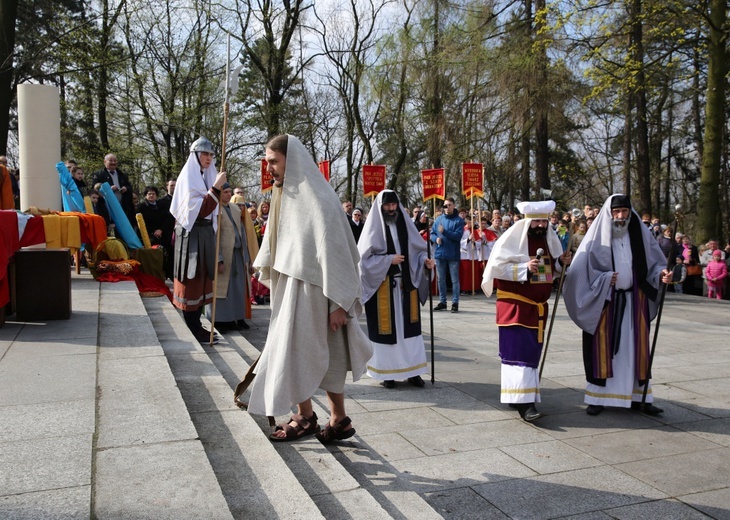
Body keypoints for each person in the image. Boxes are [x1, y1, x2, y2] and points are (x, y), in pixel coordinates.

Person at [247, 134, 373, 444]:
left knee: (316, 352)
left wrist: (339, 304)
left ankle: (307, 417)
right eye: (268, 161)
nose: (270, 167)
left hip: (320, 292)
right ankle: (336, 419)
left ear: (292, 159)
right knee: (300, 351)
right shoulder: (285, 193)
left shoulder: (319, 197)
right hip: (293, 288)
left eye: (274, 161)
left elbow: (339, 253)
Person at [563, 195, 672, 417]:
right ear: (609, 213)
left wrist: (662, 274)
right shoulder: (596, 240)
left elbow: (654, 264)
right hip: (606, 304)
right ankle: (597, 398)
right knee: (601, 351)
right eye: (617, 212)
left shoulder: (640, 236)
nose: (621, 216)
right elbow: (578, 273)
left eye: (624, 211)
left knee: (637, 350)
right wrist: (603, 280)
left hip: (635, 302)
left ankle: (640, 397)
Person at [481, 200, 571, 422]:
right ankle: (525, 404)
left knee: (529, 353)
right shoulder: (511, 240)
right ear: (527, 221)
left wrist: (560, 262)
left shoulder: (549, 241)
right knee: (518, 354)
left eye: (544, 221)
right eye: (536, 221)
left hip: (537, 308)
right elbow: (495, 268)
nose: (541, 225)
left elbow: (550, 271)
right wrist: (523, 268)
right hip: (515, 305)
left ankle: (518, 396)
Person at [358, 190, 434, 389]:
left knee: (410, 331)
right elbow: (363, 262)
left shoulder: (406, 227)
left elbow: (417, 252)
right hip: (383, 287)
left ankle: (414, 371)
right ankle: (387, 373)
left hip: (406, 286)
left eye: (394, 205)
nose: (391, 209)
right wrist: (388, 260)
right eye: (387, 205)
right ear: (380, 207)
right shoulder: (372, 229)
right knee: (386, 332)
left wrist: (424, 261)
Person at [169, 137, 227, 345]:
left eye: (211, 154)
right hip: (191, 238)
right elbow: (200, 211)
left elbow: (211, 211)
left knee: (202, 280)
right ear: (195, 156)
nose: (209, 158)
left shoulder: (206, 177)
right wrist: (216, 189)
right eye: (205, 154)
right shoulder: (188, 178)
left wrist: (215, 188)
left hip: (204, 237)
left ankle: (197, 325)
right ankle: (193, 328)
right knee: (191, 279)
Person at [205, 183, 258, 332]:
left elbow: (242, 234)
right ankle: (221, 321)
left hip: (238, 255)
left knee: (238, 289)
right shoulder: (214, 210)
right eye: (226, 192)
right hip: (225, 255)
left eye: (230, 192)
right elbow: (213, 236)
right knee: (222, 291)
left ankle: (235, 318)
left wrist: (247, 259)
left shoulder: (235, 209)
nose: (229, 195)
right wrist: (218, 259)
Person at [430, 197, 465, 312]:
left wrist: (444, 232)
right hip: (440, 253)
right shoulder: (438, 219)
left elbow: (458, 236)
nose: (447, 207)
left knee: (454, 280)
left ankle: (455, 302)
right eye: (445, 205)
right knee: (441, 279)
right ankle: (442, 301)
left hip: (453, 254)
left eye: (449, 205)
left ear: (454, 206)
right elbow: (432, 233)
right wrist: (436, 239)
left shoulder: (459, 221)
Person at [92, 154, 134, 225]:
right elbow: (94, 188)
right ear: (105, 161)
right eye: (110, 161)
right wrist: (109, 188)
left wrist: (126, 188)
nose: (113, 163)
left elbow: (130, 187)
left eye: (115, 161)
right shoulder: (98, 174)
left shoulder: (122, 175)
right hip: (106, 207)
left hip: (122, 206)